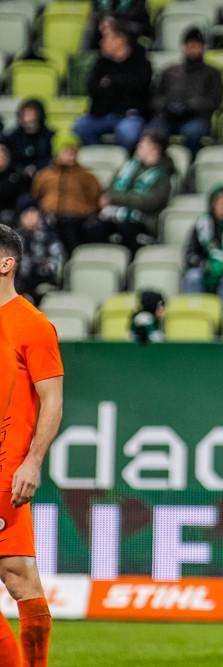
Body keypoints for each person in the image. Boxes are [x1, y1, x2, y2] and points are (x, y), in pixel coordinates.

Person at [0, 223, 63, 666]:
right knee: (19, 576)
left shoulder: (33, 325)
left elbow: (52, 402)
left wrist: (32, 462)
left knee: (19, 577)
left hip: (5, 468)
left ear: (6, 264)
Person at [73, 20, 152, 152]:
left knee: (128, 132)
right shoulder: (100, 63)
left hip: (129, 115)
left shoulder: (140, 62)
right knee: (81, 127)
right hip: (101, 114)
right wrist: (115, 85)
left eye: (106, 39)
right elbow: (91, 87)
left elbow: (138, 88)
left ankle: (126, 161)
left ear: (120, 40)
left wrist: (111, 82)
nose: (101, 43)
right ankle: (97, 156)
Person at [90, 130, 172, 253]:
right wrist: (112, 198)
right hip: (116, 215)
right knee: (93, 226)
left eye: (143, 143)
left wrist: (114, 199)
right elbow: (111, 189)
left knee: (125, 227)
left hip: (143, 222)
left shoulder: (162, 176)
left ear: (155, 148)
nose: (139, 146)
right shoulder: (128, 167)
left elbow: (147, 201)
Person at [148, 28, 223, 156]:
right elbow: (156, 97)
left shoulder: (212, 73)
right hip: (168, 116)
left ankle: (191, 162)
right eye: (189, 45)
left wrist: (190, 106)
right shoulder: (169, 71)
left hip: (197, 117)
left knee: (193, 132)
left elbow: (215, 100)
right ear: (183, 47)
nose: (192, 48)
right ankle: (157, 162)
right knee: (151, 131)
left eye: (196, 45)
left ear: (203, 47)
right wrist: (167, 105)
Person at [30, 134, 103, 254]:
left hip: (77, 221)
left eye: (73, 152)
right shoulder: (44, 175)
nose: (71, 156)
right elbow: (36, 197)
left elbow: (96, 200)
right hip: (50, 219)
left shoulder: (86, 176)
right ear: (57, 153)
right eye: (66, 152)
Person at [13, 202, 65, 302]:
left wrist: (36, 267)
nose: (30, 216)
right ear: (20, 217)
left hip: (42, 280)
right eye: (26, 213)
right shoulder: (14, 238)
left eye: (33, 212)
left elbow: (57, 263)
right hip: (19, 282)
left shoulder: (49, 236)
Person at [3, 100, 53, 179]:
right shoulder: (12, 136)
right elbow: (10, 158)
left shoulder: (49, 136)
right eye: (26, 114)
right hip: (16, 176)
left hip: (43, 175)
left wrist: (36, 167)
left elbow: (50, 158)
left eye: (31, 114)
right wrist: (21, 169)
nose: (28, 118)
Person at [0, 145, 29, 227]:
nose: (1, 157)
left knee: (6, 216)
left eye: (3, 155)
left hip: (12, 215)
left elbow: (23, 199)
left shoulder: (16, 177)